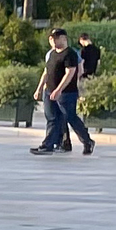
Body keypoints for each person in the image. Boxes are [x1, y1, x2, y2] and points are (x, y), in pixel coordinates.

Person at [31, 26, 91, 155]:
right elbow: (46, 72)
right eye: (51, 39)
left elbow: (70, 72)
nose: (52, 41)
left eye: (55, 38)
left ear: (63, 38)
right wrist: (39, 88)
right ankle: (48, 145)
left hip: (66, 93)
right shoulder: (52, 54)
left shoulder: (70, 54)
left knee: (70, 118)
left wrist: (59, 90)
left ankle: (87, 140)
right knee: (52, 118)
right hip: (49, 91)